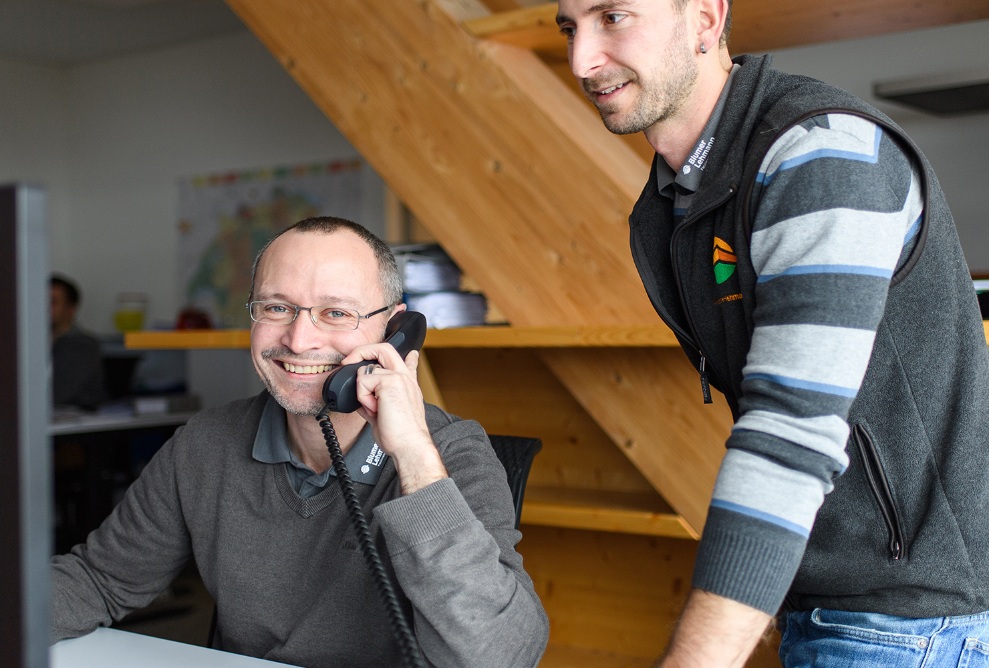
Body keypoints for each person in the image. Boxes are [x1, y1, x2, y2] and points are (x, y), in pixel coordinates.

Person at [556, 1, 989, 666]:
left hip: (913, 622)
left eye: (612, 16)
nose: (581, 59)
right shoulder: (678, 197)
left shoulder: (819, 153)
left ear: (703, 19)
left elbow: (789, 431)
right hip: (827, 601)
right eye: (568, 27)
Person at [51, 217, 549, 667]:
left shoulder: (453, 453)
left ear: (396, 329)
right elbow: (100, 580)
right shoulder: (205, 445)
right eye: (277, 307)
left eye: (335, 312)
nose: (298, 339)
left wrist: (414, 459)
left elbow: (499, 657)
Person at [50, 274, 106, 411]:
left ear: (70, 309)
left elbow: (56, 395)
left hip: (76, 425)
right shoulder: (28, 345)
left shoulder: (82, 345)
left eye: (52, 302)